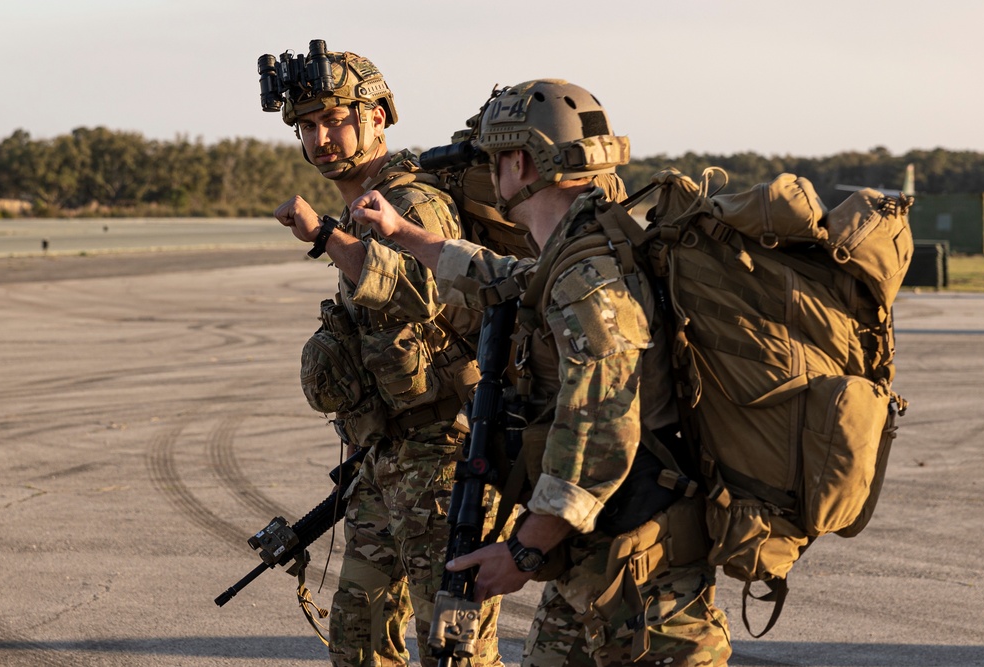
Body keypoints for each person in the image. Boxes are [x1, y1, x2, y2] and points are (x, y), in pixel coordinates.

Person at [351, 79, 732, 666]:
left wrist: (522, 552)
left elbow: (603, 435)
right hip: (593, 564)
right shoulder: (577, 252)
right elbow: (500, 277)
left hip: (646, 589)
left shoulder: (589, 280)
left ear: (519, 161)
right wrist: (403, 233)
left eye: (491, 160)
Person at [265, 42, 504, 667]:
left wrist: (324, 235)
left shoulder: (411, 201)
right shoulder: (362, 201)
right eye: (307, 126)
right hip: (384, 462)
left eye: (334, 119)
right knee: (359, 642)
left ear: (377, 116)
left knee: (455, 653)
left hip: (447, 464)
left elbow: (427, 287)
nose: (320, 137)